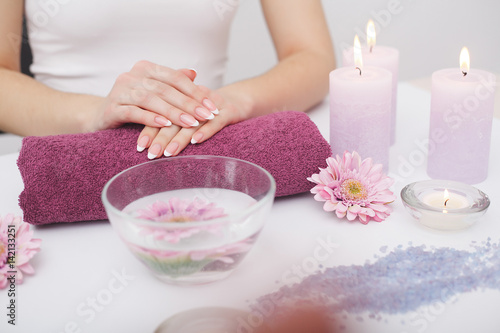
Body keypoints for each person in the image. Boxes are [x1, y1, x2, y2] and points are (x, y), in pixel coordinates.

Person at [0, 0, 335, 159]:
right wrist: (94, 113)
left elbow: (314, 57)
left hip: (198, 156)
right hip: (66, 159)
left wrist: (234, 100)